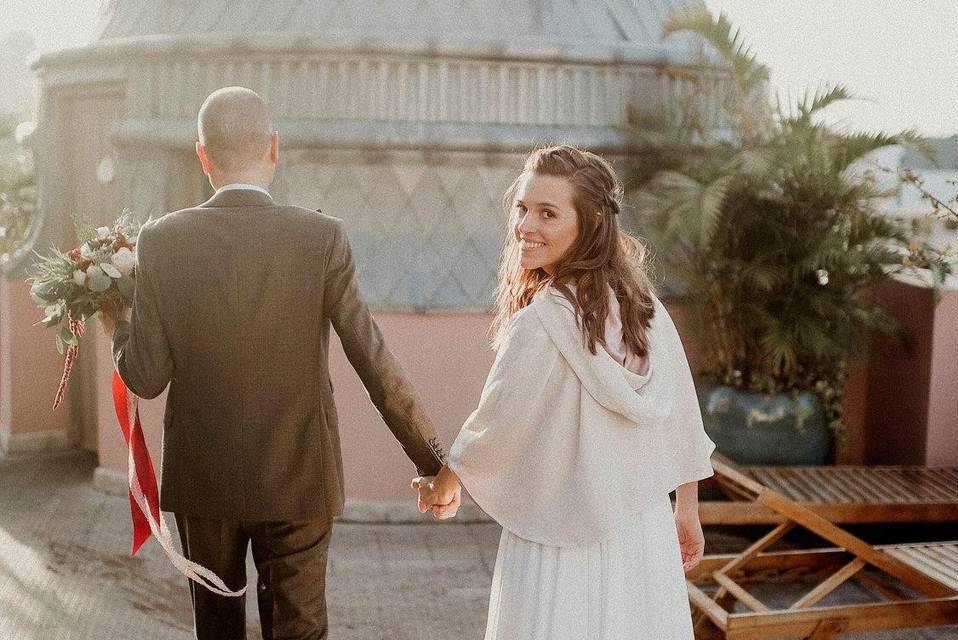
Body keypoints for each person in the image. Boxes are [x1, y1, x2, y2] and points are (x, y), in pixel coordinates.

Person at [99, 86, 454, 640]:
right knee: (299, 630)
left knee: (217, 630)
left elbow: (145, 377)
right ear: (274, 148)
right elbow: (373, 360)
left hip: (205, 482)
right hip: (300, 478)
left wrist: (115, 320)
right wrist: (434, 460)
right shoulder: (321, 238)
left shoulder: (161, 241)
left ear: (202, 155)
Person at [414, 145, 716, 639]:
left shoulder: (543, 322)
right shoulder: (649, 313)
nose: (525, 226)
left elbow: (495, 426)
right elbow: (681, 416)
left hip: (556, 534)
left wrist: (446, 480)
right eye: (523, 208)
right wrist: (687, 509)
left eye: (548, 213)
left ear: (590, 224)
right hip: (640, 535)